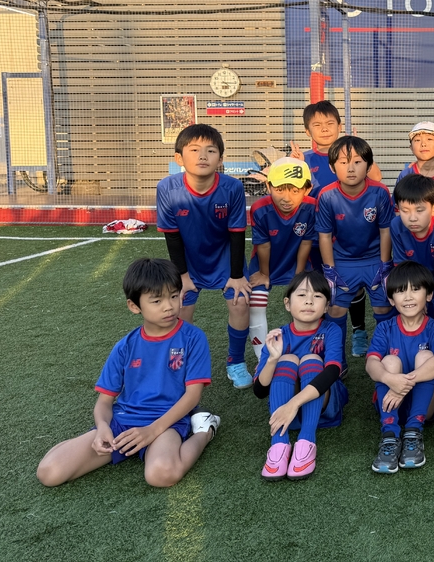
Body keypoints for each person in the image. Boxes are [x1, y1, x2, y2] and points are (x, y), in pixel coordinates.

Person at [37, 259, 220, 487]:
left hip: (167, 422)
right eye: (157, 300)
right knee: (49, 472)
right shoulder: (125, 346)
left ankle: (205, 430)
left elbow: (193, 396)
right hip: (122, 423)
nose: (169, 306)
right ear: (134, 306)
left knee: (161, 475)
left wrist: (152, 430)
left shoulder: (193, 338)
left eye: (174, 296)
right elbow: (104, 402)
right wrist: (103, 428)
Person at [156, 124, 252, 388]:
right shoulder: (167, 188)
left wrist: (236, 276)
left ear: (220, 159)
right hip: (187, 261)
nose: (202, 156)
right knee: (180, 306)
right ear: (179, 158)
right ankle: (181, 364)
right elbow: (172, 236)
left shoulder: (232, 188)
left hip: (224, 257)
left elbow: (237, 234)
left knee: (240, 302)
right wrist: (183, 276)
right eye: (194, 150)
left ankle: (236, 362)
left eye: (210, 150)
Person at [292, 100, 381, 358]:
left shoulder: (353, 154)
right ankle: (322, 339)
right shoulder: (304, 160)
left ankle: (359, 330)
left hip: (352, 235)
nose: (324, 129)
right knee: (324, 287)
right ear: (307, 131)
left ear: (340, 126)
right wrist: (297, 169)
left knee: (353, 285)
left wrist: (360, 152)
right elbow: (295, 196)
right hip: (318, 236)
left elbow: (375, 180)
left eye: (330, 123)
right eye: (317, 125)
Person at [253, 271, 347, 480]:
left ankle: (306, 441)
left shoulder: (331, 330)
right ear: (287, 303)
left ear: (326, 306)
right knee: (285, 359)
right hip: (285, 413)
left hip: (324, 409)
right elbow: (259, 391)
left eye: (317, 296)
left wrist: (293, 404)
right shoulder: (278, 336)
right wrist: (272, 359)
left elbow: (333, 371)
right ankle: (279, 444)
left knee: (311, 359)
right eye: (302, 295)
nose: (309, 301)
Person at [316, 136, 395, 365]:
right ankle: (336, 363)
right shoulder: (326, 195)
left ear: (369, 166)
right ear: (332, 167)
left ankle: (388, 358)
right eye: (343, 162)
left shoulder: (380, 192)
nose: (350, 168)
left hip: (375, 260)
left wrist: (385, 265)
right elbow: (324, 235)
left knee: (384, 308)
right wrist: (329, 270)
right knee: (335, 310)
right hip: (342, 261)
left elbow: (385, 231)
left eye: (357, 162)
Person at [367, 262, 434, 473]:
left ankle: (414, 432)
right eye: (401, 291)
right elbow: (370, 364)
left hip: (425, 408)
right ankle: (389, 435)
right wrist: (390, 379)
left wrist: (403, 384)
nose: (408, 297)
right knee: (389, 362)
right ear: (391, 299)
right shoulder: (385, 328)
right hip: (389, 404)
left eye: (415, 289)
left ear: (429, 295)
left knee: (427, 357)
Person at [390, 174, 434, 396]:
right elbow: (403, 267)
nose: (412, 217)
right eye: (405, 210)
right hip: (414, 281)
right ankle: (414, 363)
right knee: (413, 317)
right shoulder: (396, 226)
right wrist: (412, 296)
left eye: (419, 210)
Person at [247, 157, 317, 360]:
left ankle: (306, 351)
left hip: (297, 261)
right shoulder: (260, 208)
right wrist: (264, 273)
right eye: (279, 189)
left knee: (307, 301)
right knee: (256, 304)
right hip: (264, 263)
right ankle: (262, 358)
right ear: (268, 186)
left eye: (294, 190)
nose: (286, 197)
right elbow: (263, 245)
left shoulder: (311, 207)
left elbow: (306, 243)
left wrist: (299, 274)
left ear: (307, 189)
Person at [395, 122, 434, 214]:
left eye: (429, 139)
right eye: (417, 140)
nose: (423, 144)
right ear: (411, 148)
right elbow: (397, 210)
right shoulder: (405, 175)